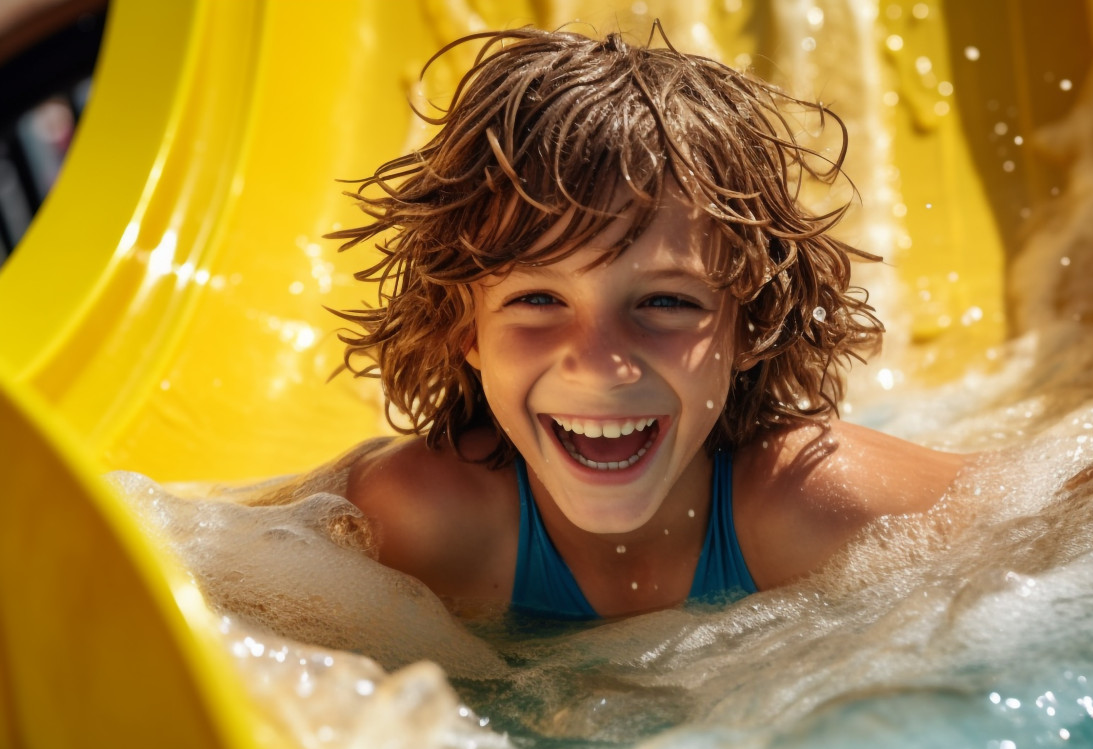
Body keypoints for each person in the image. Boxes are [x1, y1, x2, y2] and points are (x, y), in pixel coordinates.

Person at [304, 24, 963, 620]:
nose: (597, 363)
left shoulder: (814, 506)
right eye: (539, 300)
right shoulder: (417, 520)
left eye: (665, 302)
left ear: (749, 327)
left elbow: (1056, 508)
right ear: (465, 329)